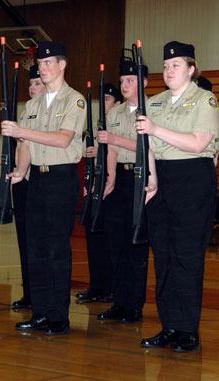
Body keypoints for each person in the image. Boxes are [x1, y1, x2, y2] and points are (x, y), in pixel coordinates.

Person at [137, 41, 219, 352]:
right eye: (166, 65)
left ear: (191, 69)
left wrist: (156, 130)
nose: (169, 70)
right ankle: (168, 326)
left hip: (192, 179)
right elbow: (148, 148)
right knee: (164, 259)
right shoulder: (155, 102)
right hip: (163, 180)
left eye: (176, 65)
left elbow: (199, 143)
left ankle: (188, 330)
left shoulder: (204, 100)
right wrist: (153, 179)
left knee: (187, 258)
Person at [1, 41, 86, 335]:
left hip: (61, 179)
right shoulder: (33, 105)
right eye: (40, 63)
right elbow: (25, 145)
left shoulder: (74, 100)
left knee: (56, 249)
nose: (43, 68)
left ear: (62, 65)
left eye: (49, 63)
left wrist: (20, 130)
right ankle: (40, 311)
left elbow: (63, 139)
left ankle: (58, 316)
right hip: (36, 178)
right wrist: (20, 170)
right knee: (35, 247)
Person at [95, 59, 150, 322]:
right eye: (122, 81)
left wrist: (114, 140)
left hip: (142, 178)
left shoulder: (153, 109)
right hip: (120, 180)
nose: (124, 85)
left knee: (135, 244)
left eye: (130, 80)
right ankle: (119, 301)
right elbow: (112, 150)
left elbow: (147, 146)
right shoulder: (114, 114)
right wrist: (111, 176)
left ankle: (134, 305)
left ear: (144, 82)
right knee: (116, 242)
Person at [75, 82, 121, 304]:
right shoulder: (96, 125)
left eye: (108, 99)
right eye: (101, 100)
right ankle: (96, 285)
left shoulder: (120, 125)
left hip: (113, 186)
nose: (104, 104)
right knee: (93, 237)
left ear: (117, 103)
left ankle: (111, 287)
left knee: (110, 240)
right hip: (95, 185)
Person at [11, 64, 46, 310]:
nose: (33, 88)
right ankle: (29, 292)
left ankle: (42, 294)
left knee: (41, 242)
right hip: (23, 179)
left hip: (42, 179)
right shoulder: (26, 112)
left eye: (38, 84)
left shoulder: (51, 111)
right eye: (31, 84)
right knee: (25, 241)